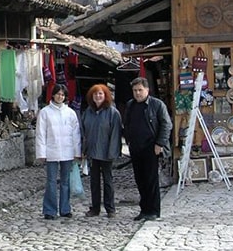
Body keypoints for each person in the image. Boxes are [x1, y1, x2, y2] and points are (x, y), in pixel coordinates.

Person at [122, 76, 172, 221]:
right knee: (140, 180)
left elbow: (166, 125)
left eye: (140, 90)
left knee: (151, 180)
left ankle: (154, 211)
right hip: (136, 148)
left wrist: (160, 144)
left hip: (152, 147)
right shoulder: (131, 105)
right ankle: (144, 210)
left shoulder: (157, 105)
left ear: (147, 90)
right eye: (135, 90)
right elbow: (127, 124)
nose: (138, 93)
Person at [34, 83, 81, 219]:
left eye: (62, 94)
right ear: (53, 95)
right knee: (51, 181)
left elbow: (76, 134)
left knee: (66, 181)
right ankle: (50, 210)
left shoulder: (70, 113)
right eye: (58, 94)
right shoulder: (45, 112)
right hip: (51, 151)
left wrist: (77, 151)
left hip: (67, 151)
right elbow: (41, 134)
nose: (60, 96)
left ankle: (65, 208)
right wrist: (41, 153)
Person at [80, 83, 123, 218]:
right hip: (92, 152)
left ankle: (110, 208)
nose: (98, 96)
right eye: (95, 94)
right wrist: (83, 150)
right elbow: (83, 132)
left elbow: (116, 133)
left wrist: (113, 152)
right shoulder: (88, 112)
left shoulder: (112, 112)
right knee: (94, 182)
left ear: (105, 96)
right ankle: (95, 208)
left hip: (106, 152)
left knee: (108, 181)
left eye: (100, 94)